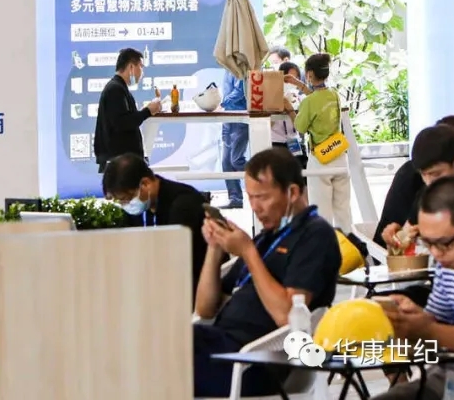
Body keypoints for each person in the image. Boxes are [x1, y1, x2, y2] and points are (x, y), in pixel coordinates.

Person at [193, 147, 341, 398]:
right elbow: (205, 309)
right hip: (219, 345)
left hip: (256, 361)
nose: (255, 207)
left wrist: (247, 252)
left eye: (262, 197)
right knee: (154, 338)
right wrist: (214, 249)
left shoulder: (315, 235)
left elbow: (288, 316)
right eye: (250, 198)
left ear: (292, 192)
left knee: (160, 355)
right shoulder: (267, 238)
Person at [378, 177, 454, 399]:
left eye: (444, 243)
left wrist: (428, 330)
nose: (436, 254)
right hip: (451, 375)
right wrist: (413, 316)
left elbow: (435, 332)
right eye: (428, 243)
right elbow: (439, 321)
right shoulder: (448, 266)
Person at [103, 154, 207, 301]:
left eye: (126, 199)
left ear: (145, 184)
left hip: (192, 287)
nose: (125, 205)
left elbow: (175, 261)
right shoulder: (139, 208)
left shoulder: (183, 204)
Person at [375, 123, 454, 246]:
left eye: (436, 174)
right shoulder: (425, 194)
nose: (429, 182)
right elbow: (402, 239)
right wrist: (396, 240)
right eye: (423, 175)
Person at [291, 52, 351, 231]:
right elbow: (319, 98)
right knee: (343, 210)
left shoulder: (308, 102)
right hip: (339, 155)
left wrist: (289, 110)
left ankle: (325, 246)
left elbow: (300, 127)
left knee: (322, 212)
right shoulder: (334, 95)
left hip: (320, 160)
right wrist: (300, 85)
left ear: (309, 74)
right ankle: (348, 243)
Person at [93, 47, 162, 170]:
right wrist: (148, 111)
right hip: (120, 162)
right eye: (141, 67)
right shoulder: (115, 89)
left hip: (124, 159)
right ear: (131, 67)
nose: (142, 72)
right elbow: (123, 122)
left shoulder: (119, 88)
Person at [220, 68, 248, 209]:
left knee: (236, 160)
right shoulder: (227, 69)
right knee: (226, 162)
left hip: (239, 117)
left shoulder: (240, 68)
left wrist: (223, 103)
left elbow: (240, 91)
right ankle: (235, 198)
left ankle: (264, 175)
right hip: (227, 116)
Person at [271, 61, 304, 164]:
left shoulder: (300, 98)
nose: (293, 81)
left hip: (295, 141)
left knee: (300, 168)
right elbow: (268, 124)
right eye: (290, 78)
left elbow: (301, 127)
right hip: (276, 142)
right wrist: (278, 107)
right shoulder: (271, 97)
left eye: (296, 78)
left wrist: (290, 109)